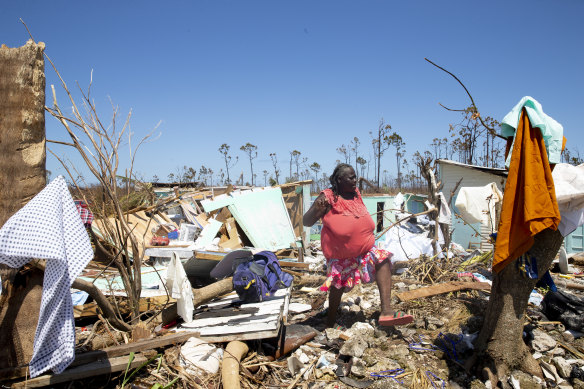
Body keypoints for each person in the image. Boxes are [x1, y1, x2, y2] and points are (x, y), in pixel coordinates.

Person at [303, 163, 413, 328]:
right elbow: (306, 221)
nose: (355, 180)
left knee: (382, 260)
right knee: (337, 285)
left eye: (355, 176)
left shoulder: (355, 194)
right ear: (340, 180)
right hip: (340, 254)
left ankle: (386, 312)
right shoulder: (327, 197)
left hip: (365, 251)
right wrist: (316, 209)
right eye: (351, 177)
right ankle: (330, 321)